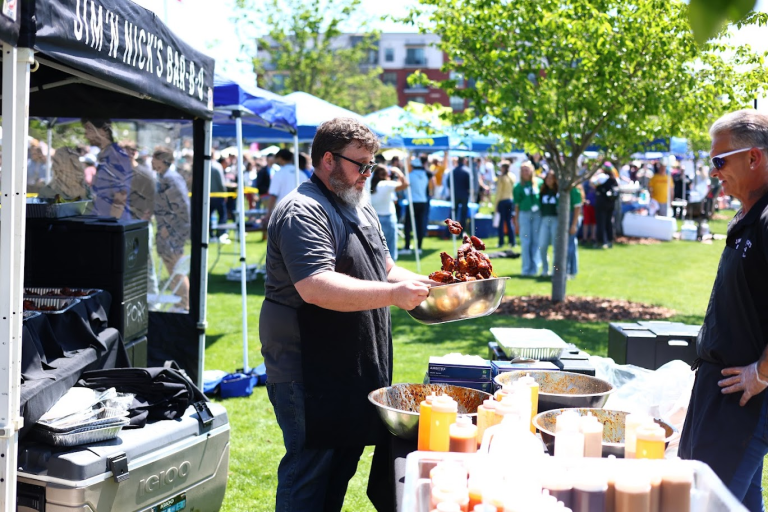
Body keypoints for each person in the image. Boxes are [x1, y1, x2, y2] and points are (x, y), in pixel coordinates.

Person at [259, 117, 433, 512]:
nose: (367, 174)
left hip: (351, 367)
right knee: (309, 476)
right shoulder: (303, 210)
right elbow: (316, 285)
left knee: (339, 470)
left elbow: (386, 267)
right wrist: (394, 295)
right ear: (327, 160)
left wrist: (433, 286)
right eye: (361, 164)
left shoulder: (361, 206)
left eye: (372, 165)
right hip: (309, 371)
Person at [679, 109, 768, 512]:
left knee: (706, 506)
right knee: (734, 504)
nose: (714, 172)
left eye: (720, 160)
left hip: (744, 402)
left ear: (754, 157)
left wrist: (761, 373)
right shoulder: (746, 213)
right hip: (718, 393)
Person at [152, 146, 190, 312]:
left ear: (162, 159)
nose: (152, 161)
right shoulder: (163, 176)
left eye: (155, 158)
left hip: (173, 231)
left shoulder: (172, 179)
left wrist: (169, 226)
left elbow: (183, 208)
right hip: (165, 230)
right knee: (172, 267)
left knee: (177, 268)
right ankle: (180, 302)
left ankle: (184, 304)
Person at [122, 140, 159, 297]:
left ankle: (152, 300)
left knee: (145, 264)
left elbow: (153, 202)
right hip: (121, 226)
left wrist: (142, 222)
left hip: (140, 226)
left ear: (135, 153)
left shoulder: (144, 175)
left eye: (130, 151)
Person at [82, 118, 133, 220]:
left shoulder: (116, 157)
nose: (85, 135)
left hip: (112, 224)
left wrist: (110, 228)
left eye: (89, 129)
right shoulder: (106, 155)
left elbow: (120, 197)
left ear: (103, 130)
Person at [370, 164, 408, 261]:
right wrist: (398, 172)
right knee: (390, 249)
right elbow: (405, 184)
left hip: (373, 218)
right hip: (388, 218)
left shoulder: (370, 184)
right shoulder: (386, 184)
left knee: (376, 248)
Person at [513, 161, 542, 276]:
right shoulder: (518, 186)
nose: (525, 172)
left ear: (531, 170)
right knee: (525, 242)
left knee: (536, 241)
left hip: (537, 214)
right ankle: (526, 269)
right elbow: (517, 205)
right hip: (524, 214)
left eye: (527, 169)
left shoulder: (539, 183)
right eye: (523, 170)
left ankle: (534, 268)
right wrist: (516, 220)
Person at [402, 157, 433, 254]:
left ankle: (407, 247)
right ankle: (419, 247)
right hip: (423, 202)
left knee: (407, 225)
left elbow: (405, 189)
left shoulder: (410, 175)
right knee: (420, 225)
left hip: (413, 202)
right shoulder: (424, 175)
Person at [537, 170, 559, 277]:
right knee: (542, 245)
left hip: (555, 219)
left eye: (551, 178)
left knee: (556, 246)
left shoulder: (558, 191)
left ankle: (555, 270)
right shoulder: (542, 191)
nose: (549, 180)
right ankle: (545, 269)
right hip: (545, 219)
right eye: (547, 178)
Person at [592, 164, 619, 249]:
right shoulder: (614, 178)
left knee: (601, 222)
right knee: (609, 222)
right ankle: (610, 240)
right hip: (611, 203)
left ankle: (601, 242)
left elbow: (593, 184)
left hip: (602, 203)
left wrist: (595, 175)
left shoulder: (601, 177)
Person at [494, 161, 515, 248]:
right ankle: (512, 241)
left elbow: (499, 192)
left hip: (502, 201)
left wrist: (496, 204)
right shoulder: (512, 176)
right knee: (509, 222)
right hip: (510, 201)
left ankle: (501, 242)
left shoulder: (502, 178)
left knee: (501, 222)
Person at [447, 156, 471, 232]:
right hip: (464, 194)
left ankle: (449, 232)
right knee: (463, 214)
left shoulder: (453, 171)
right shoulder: (467, 171)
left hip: (455, 195)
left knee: (453, 213)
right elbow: (469, 185)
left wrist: (453, 190)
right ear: (464, 161)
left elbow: (448, 183)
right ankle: (461, 232)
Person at [566, 184, 583, 279]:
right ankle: (571, 270)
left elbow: (577, 208)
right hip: (568, 219)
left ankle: (570, 271)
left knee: (570, 246)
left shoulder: (575, 190)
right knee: (571, 245)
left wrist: (573, 225)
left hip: (573, 219)